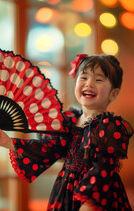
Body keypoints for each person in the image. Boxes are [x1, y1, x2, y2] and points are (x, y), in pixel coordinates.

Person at [0, 53, 133, 211]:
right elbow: (49, 148)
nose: (89, 83)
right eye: (83, 78)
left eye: (98, 80)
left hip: (97, 193)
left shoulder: (109, 127)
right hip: (65, 190)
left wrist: (89, 202)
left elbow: (103, 167)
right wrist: (9, 142)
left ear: (113, 93)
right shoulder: (69, 121)